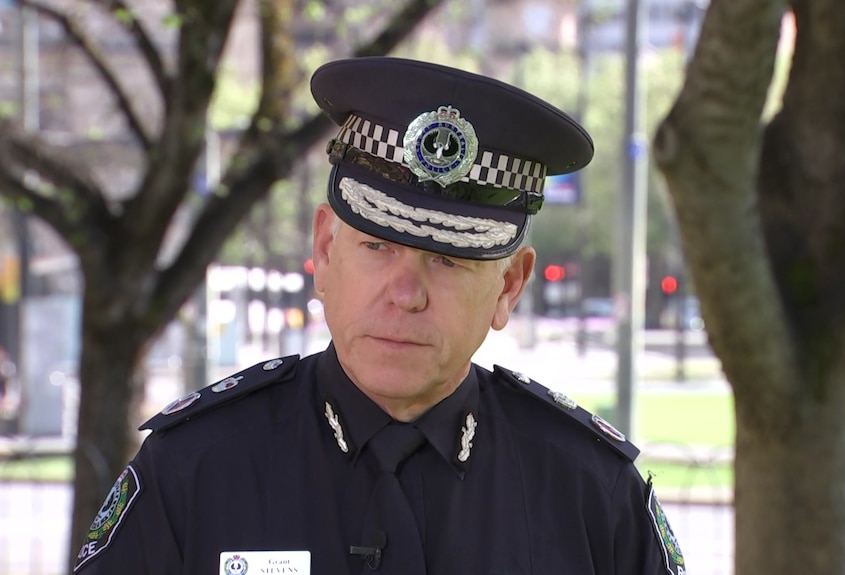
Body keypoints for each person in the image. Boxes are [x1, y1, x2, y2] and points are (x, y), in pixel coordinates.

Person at [73, 57, 686, 575]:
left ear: (510, 285)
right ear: (323, 251)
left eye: (448, 260)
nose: (406, 293)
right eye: (377, 247)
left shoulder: (590, 493)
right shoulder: (195, 469)